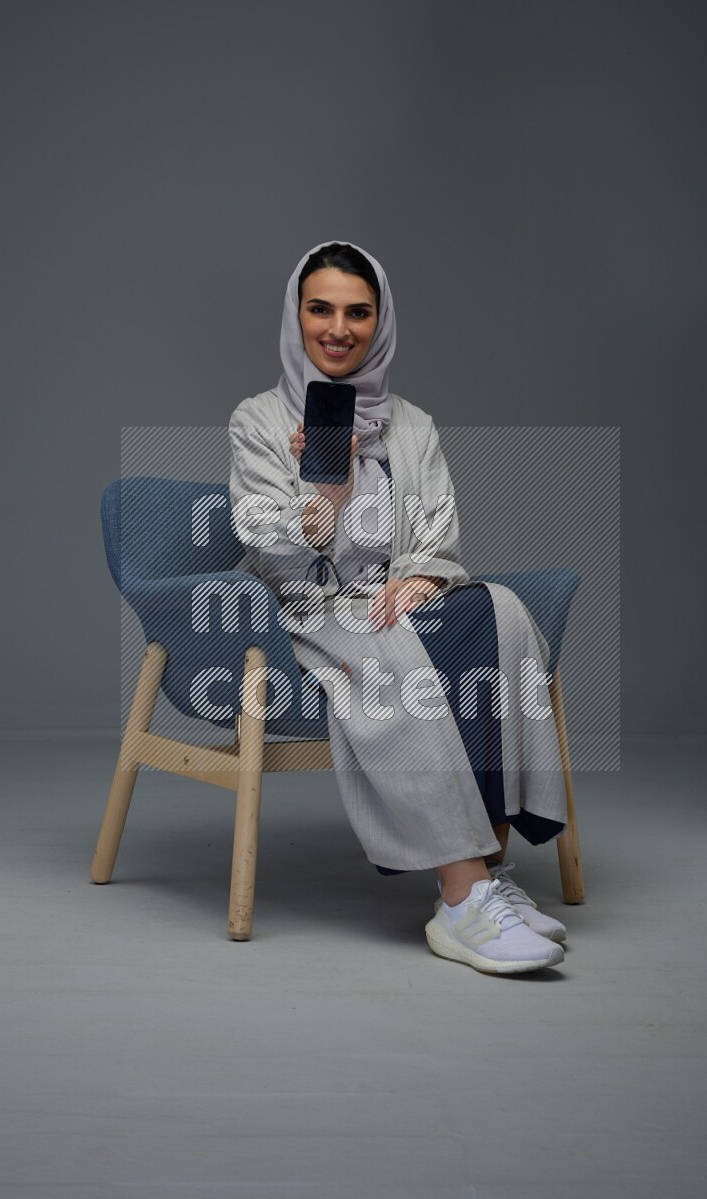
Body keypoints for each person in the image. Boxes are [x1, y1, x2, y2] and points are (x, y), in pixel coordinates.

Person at [228, 240, 569, 975]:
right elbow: (267, 543)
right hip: (311, 611)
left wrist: (421, 577)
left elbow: (437, 529)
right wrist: (326, 490)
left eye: (358, 311)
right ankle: (460, 896)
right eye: (320, 308)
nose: (338, 328)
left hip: (391, 604)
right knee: (390, 651)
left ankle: (486, 864)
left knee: (500, 611)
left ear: (380, 322)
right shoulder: (257, 420)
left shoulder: (413, 423)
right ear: (296, 316)